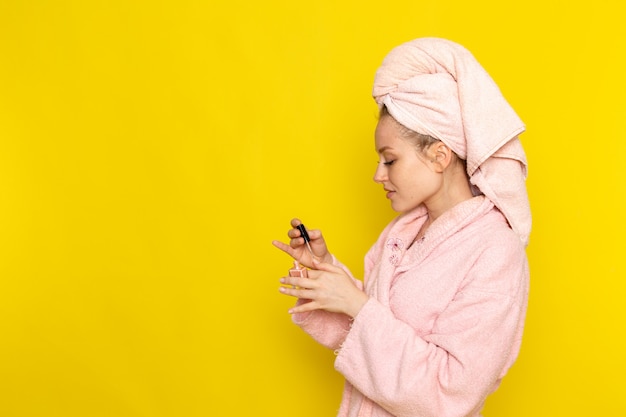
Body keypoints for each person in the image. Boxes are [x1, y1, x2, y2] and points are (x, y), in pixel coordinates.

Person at [272, 37, 531, 417]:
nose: (378, 175)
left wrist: (355, 302)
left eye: (389, 160)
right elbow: (362, 339)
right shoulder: (402, 233)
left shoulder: (495, 251)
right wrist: (325, 273)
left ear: (439, 155)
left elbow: (449, 395)